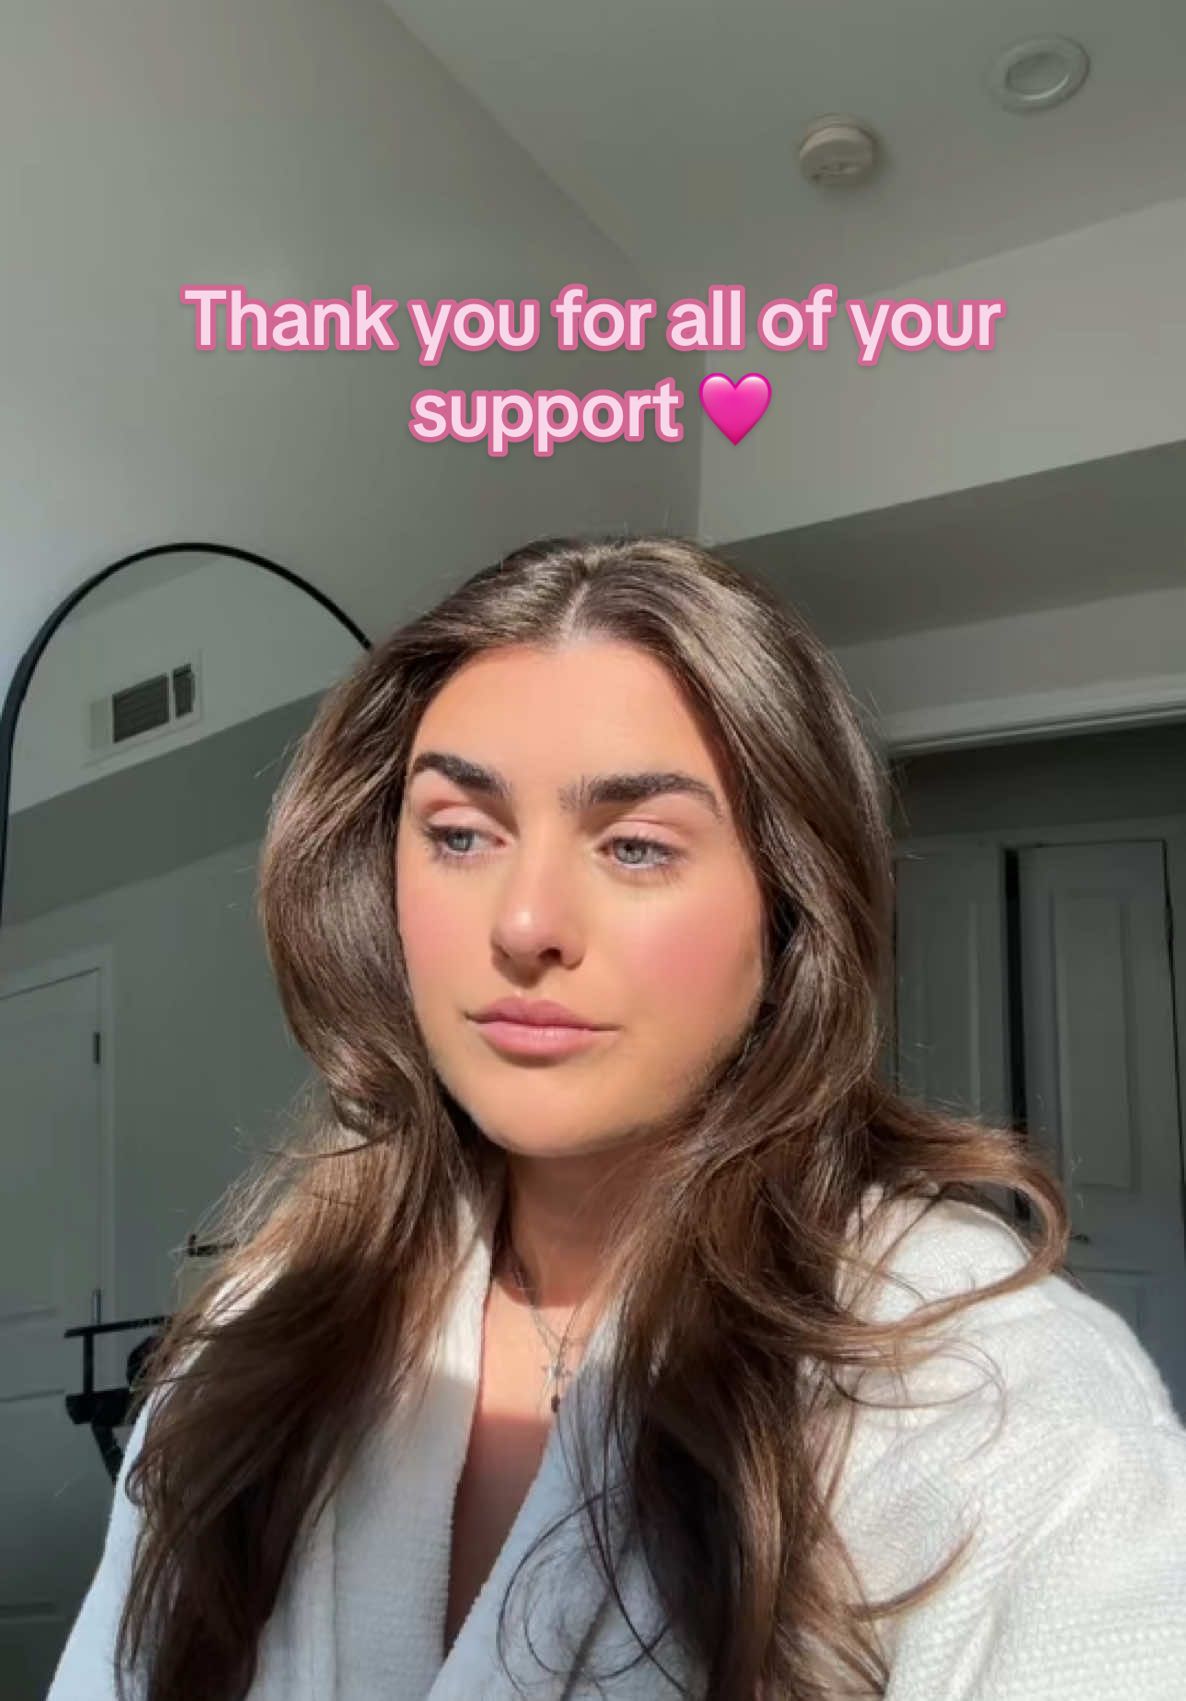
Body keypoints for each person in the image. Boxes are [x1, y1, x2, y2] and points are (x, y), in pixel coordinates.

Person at [48, 533, 1186, 1701]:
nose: (524, 923)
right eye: (459, 834)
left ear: (790, 906)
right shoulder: (259, 1334)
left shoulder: (983, 1384)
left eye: (636, 847)